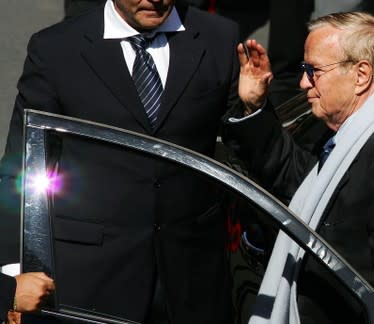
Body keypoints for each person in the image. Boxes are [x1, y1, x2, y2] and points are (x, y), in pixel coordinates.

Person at [0, 0, 240, 323]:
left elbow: (246, 155)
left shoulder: (219, 39)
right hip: (91, 284)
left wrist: (253, 110)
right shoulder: (57, 49)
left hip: (192, 284)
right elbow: (22, 168)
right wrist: (15, 275)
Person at [223, 11, 374, 323]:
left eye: (313, 70)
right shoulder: (354, 135)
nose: (303, 83)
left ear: (361, 75)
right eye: (303, 69)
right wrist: (254, 106)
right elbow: (298, 179)